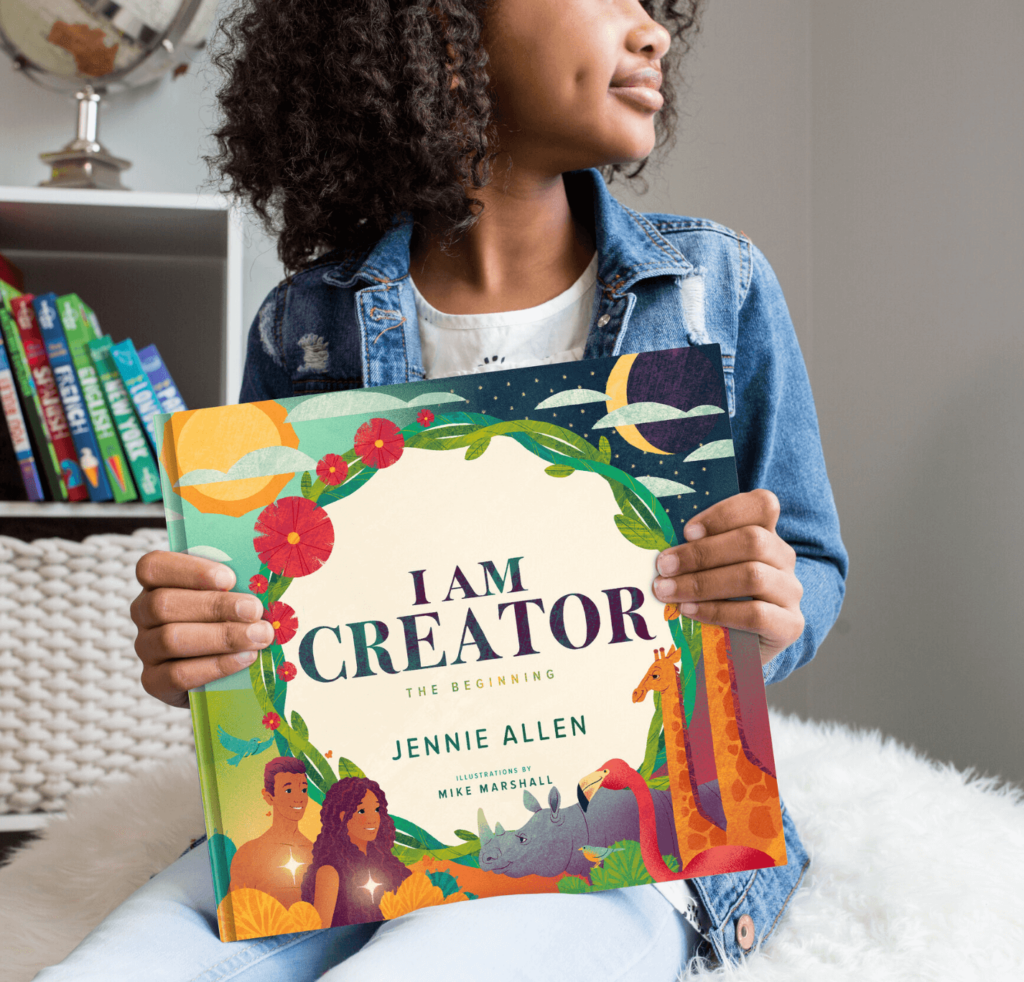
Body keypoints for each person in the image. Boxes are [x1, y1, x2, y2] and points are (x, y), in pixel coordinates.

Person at [36, 0, 848, 978]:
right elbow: (263, 622)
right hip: (351, 827)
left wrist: (765, 612)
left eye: (650, 5)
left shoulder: (715, 286)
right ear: (437, 32)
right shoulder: (305, 324)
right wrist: (204, 648)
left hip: (625, 830)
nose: (651, 32)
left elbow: (805, 553)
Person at [302, 778, 411, 928]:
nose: (373, 819)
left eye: (376, 810)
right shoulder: (329, 872)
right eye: (361, 811)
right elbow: (320, 930)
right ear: (342, 816)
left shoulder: (384, 861)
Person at [228, 757, 314, 909]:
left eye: (303, 790)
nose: (298, 798)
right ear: (269, 797)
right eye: (288, 790)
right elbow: (236, 913)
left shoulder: (316, 852)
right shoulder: (248, 854)